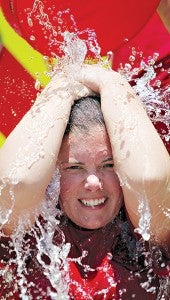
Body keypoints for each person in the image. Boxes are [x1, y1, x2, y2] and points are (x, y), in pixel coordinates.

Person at [0, 64, 169, 299]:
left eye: (109, 165)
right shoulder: (30, 238)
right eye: (74, 167)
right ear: (52, 172)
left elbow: (149, 178)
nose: (93, 182)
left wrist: (112, 83)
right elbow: (17, 182)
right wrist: (61, 88)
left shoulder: (146, 237)